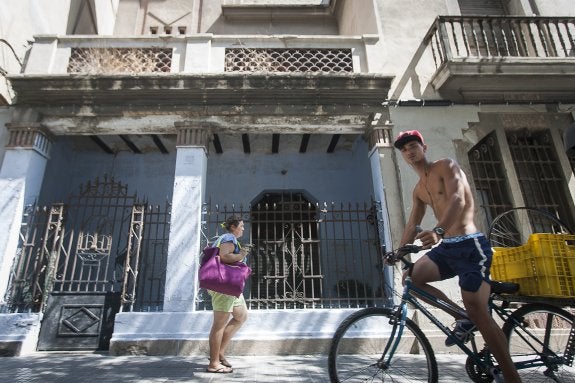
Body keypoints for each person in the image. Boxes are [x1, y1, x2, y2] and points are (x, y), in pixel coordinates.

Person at [392, 130, 521, 383]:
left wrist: (439, 231)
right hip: (448, 248)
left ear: (423, 147)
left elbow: (458, 199)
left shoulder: (445, 166)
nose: (409, 151)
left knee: (479, 311)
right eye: (404, 149)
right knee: (411, 279)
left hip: (471, 246)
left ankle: (512, 377)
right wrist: (397, 252)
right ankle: (461, 318)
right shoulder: (418, 189)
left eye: (413, 145)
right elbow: (412, 225)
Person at [206, 215, 251, 374]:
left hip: (231, 287)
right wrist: (242, 255)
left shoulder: (229, 238)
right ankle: (214, 363)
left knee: (241, 316)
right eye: (241, 226)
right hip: (223, 286)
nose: (243, 228)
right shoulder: (228, 237)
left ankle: (219, 352)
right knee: (219, 324)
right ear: (233, 226)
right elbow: (225, 257)